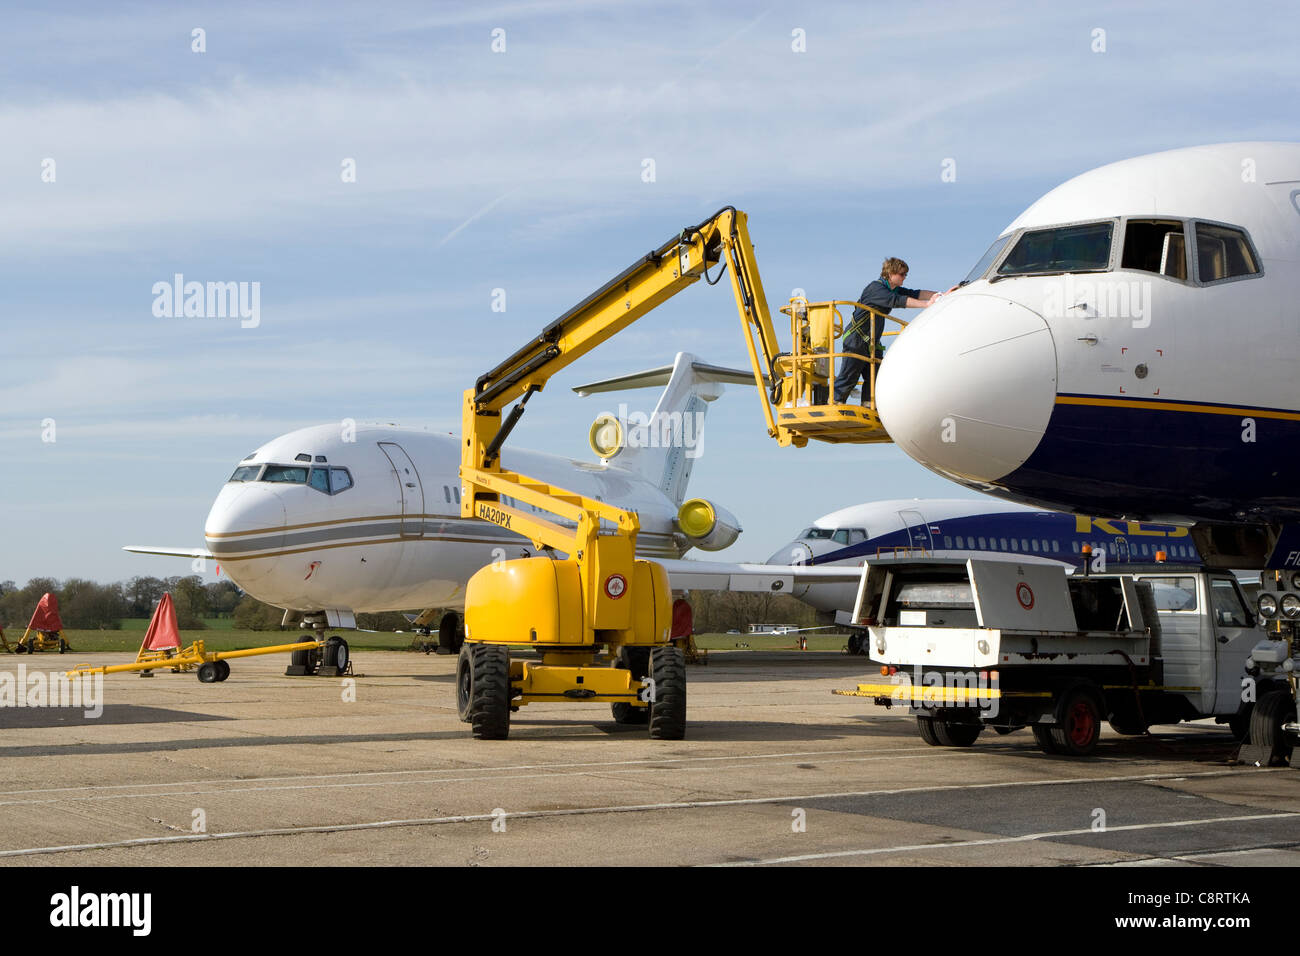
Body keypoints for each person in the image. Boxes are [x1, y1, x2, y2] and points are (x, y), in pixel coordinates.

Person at [833, 257, 949, 405]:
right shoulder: (875, 289)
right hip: (857, 338)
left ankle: (869, 407)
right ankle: (835, 403)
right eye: (902, 274)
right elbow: (896, 301)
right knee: (850, 374)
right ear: (890, 273)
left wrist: (942, 295)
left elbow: (914, 293)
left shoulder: (891, 288)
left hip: (871, 341)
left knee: (875, 376)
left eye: (905, 274)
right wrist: (927, 304)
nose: (904, 277)